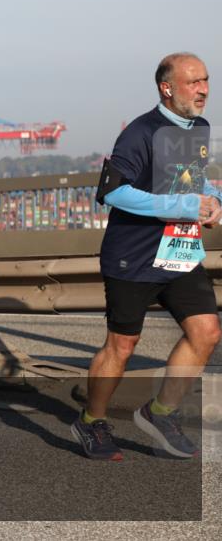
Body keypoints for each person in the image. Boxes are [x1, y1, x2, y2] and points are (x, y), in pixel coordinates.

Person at [73, 53, 220, 460]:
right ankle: (90, 421)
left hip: (179, 251)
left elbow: (192, 180)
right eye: (193, 82)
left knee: (206, 332)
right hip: (133, 256)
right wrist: (185, 207)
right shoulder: (141, 132)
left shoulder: (199, 128)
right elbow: (113, 193)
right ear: (167, 88)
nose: (204, 89)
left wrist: (213, 200)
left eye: (206, 80)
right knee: (122, 345)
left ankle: (160, 413)